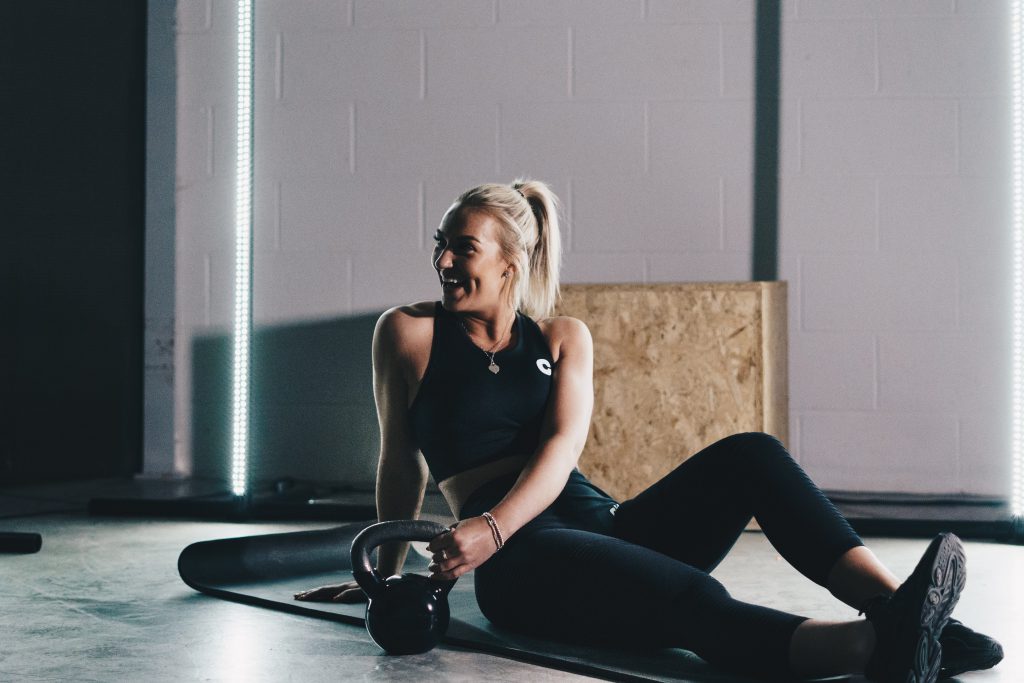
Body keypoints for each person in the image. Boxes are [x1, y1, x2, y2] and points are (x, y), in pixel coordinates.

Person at [295, 179, 1003, 681]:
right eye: (440, 243)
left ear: (512, 261)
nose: (443, 260)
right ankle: (873, 647)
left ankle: (901, 611)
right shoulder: (409, 334)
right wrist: (387, 576)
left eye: (463, 247)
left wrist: (494, 523)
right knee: (692, 600)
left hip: (597, 521)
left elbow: (560, 449)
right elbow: (400, 463)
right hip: (520, 564)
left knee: (753, 454)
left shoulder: (564, 336)